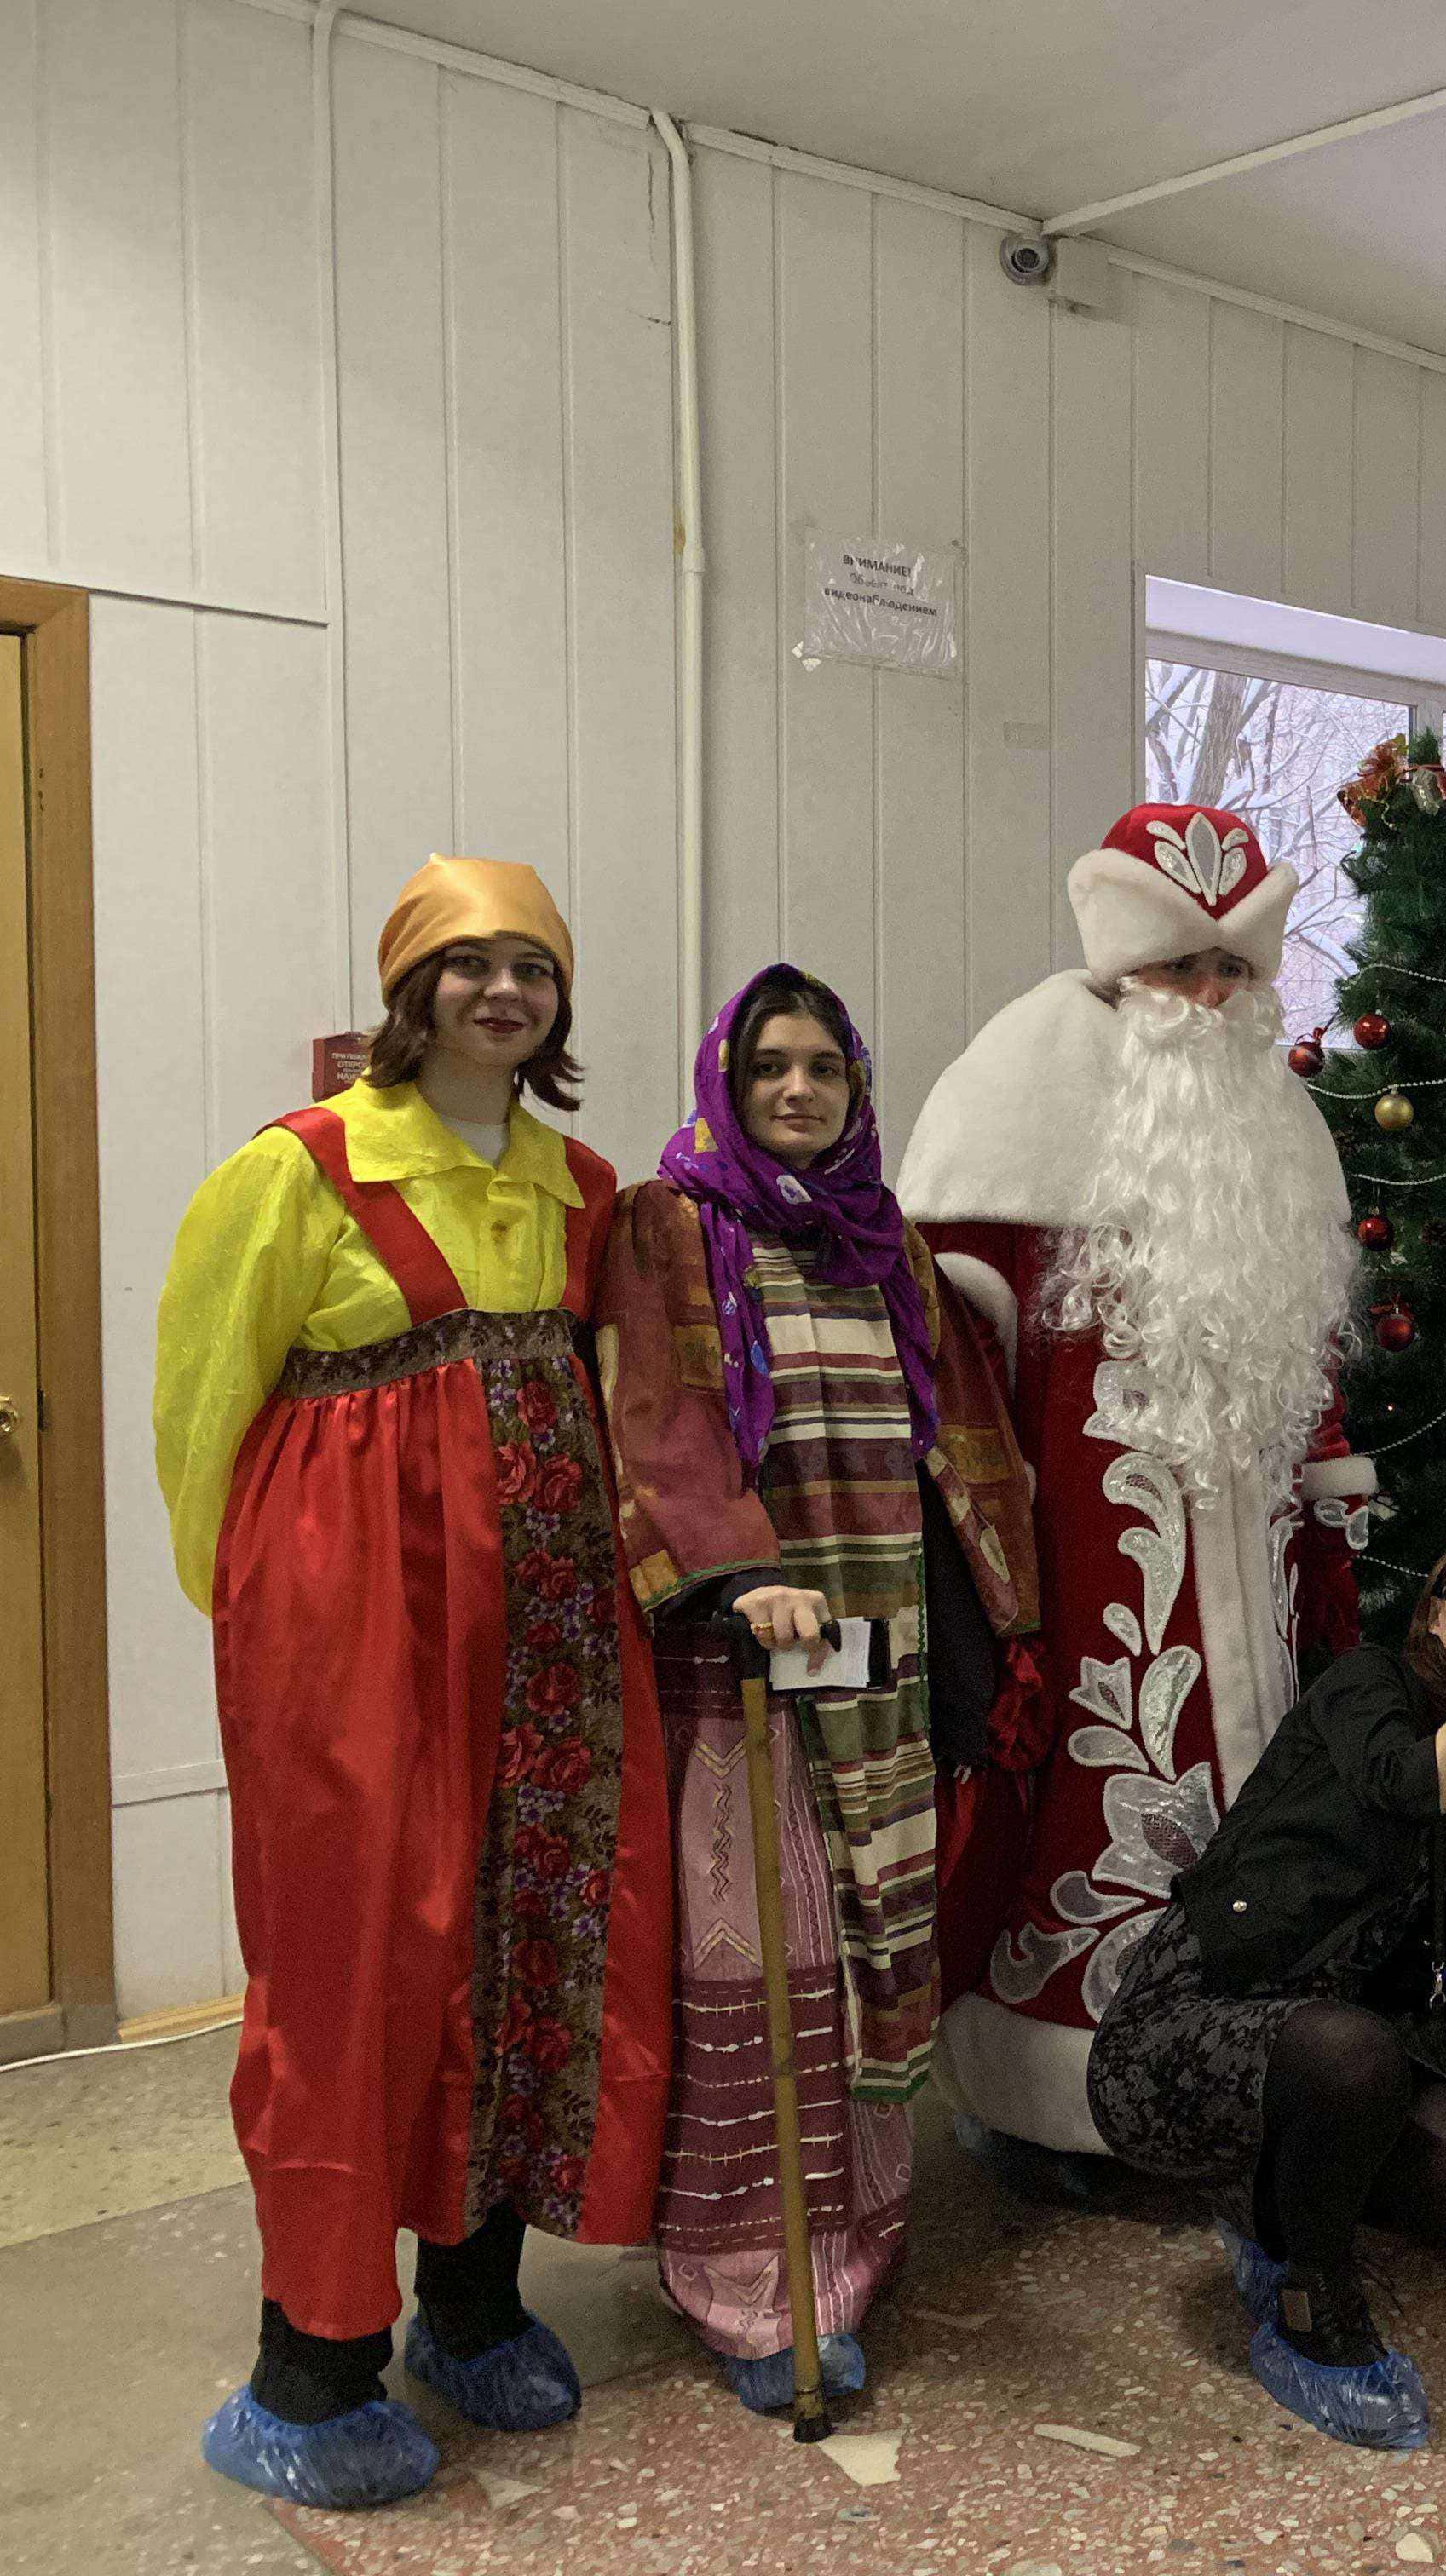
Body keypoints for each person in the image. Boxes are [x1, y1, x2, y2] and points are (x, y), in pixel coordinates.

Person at [153, 858, 671, 2509]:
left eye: (534, 965)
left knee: (527, 1946)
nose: (502, 990)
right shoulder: (295, 1171)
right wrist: (266, 1627)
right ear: (411, 989)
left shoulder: (586, 1190)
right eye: (469, 962)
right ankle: (306, 2371)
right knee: (350, 1969)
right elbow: (202, 1411)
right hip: (345, 1651)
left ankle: (472, 2304)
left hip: (549, 1651)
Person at [896, 804, 1373, 2201]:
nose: (1207, 999)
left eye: (1231, 972)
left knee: (1253, 1792)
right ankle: (1053, 2090)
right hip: (1080, 1551)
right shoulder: (1014, 1090)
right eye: (1181, 968)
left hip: (1255, 1549)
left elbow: (1308, 1337)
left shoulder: (1276, 1116)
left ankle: (1234, 2061)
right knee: (1084, 1795)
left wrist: (1327, 1488)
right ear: (1120, 966)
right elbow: (946, 1348)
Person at [595, 967, 1039, 2411]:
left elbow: (952, 1437)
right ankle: (750, 2281)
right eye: (770, 1066)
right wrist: (739, 1572)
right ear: (728, 1082)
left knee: (868, 1950)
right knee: (765, 1962)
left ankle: (854, 2241)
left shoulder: (885, 1239)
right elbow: (654, 1421)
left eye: (825, 1068)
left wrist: (984, 1632)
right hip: (750, 1655)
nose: (798, 1090)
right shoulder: (670, 1227)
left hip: (875, 1648)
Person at [1081, 1523, 1446, 2452]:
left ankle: (1267, 2210)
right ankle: (1309, 2306)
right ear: (1433, 1611)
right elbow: (1409, 1781)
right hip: (1193, 2020)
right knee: (1350, 2053)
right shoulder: (1368, 1682)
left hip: (1339, 2043)